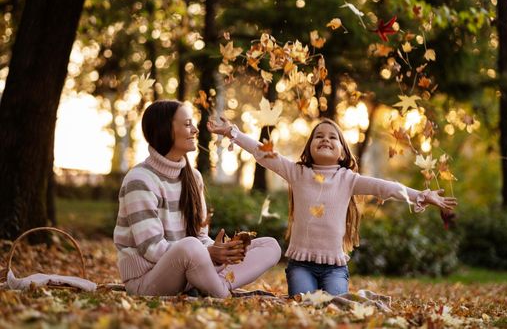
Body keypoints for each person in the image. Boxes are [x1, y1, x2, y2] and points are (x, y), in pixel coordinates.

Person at [207, 117, 457, 296]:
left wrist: (421, 196)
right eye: (319, 136)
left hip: (335, 269)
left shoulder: (348, 179)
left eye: (332, 137)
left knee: (335, 308)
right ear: (309, 148)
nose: (325, 139)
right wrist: (234, 133)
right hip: (301, 266)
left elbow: (386, 187)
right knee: (306, 307)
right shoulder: (297, 172)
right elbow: (264, 153)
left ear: (342, 152)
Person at [113, 100, 281, 297]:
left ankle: (214, 285)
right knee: (190, 245)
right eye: (186, 124)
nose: (194, 129)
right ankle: (221, 292)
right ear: (165, 129)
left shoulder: (194, 178)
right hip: (148, 281)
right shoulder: (140, 180)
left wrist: (219, 250)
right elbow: (152, 249)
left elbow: (201, 236)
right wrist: (208, 253)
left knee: (270, 246)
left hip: (191, 270)